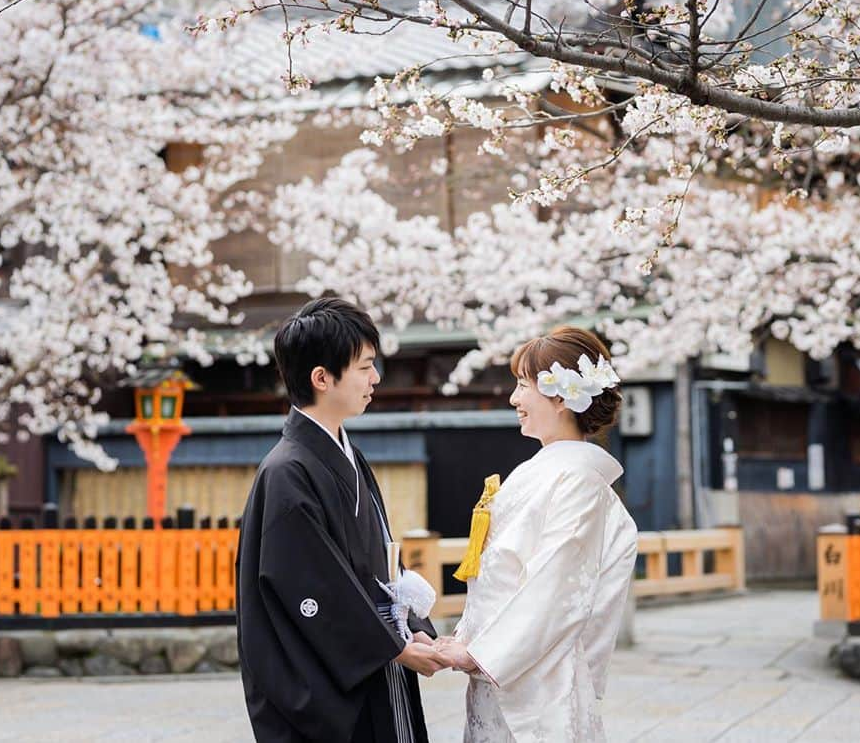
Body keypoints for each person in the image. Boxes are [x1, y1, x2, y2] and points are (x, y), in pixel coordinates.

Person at [236, 297, 447, 742]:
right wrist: (393, 646)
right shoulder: (287, 472)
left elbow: (379, 564)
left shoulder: (344, 455)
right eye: (365, 366)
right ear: (322, 378)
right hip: (332, 678)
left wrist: (412, 630)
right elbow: (314, 588)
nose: (376, 378)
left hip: (374, 661)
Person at [434, 326, 639, 742]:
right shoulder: (540, 470)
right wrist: (468, 638)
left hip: (537, 678)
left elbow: (555, 589)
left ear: (562, 397)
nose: (514, 398)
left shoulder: (578, 479)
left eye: (523, 385)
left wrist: (478, 652)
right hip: (504, 667)